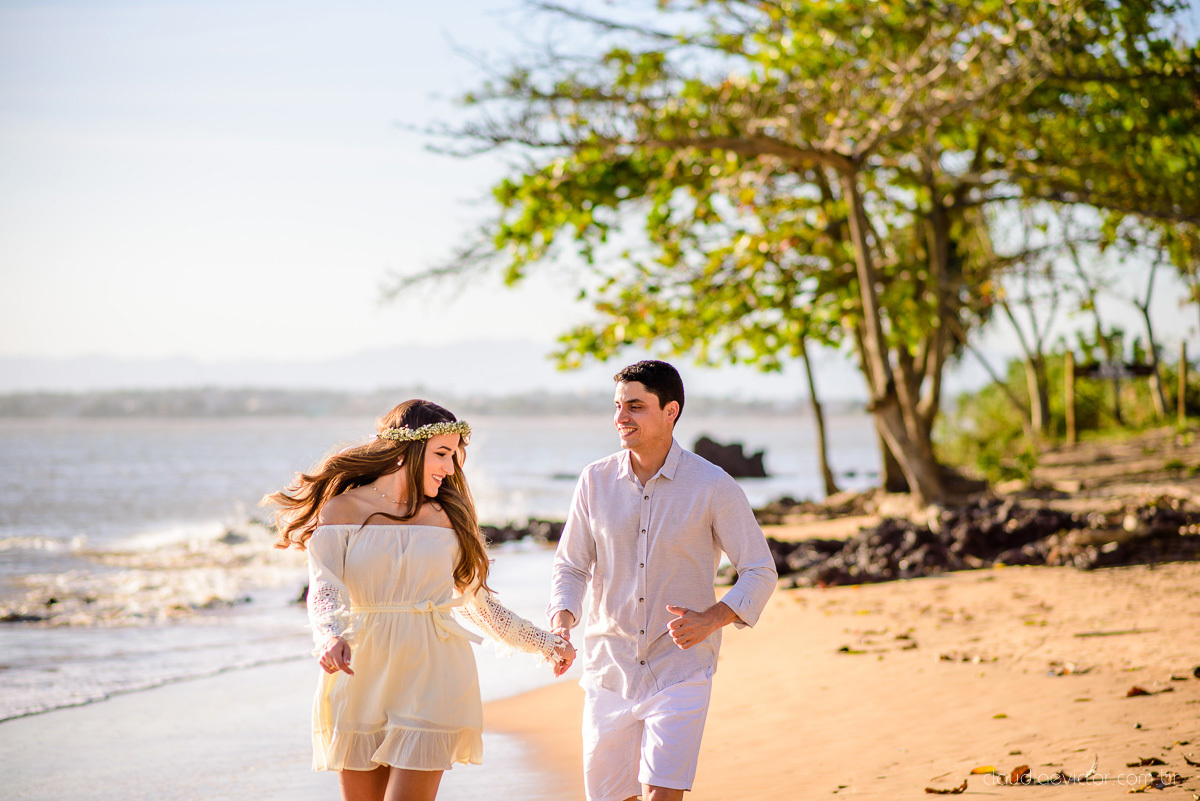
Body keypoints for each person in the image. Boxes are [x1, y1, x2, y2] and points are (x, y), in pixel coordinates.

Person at [265, 400, 576, 801]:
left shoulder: (450, 518)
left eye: (454, 457)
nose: (450, 468)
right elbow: (325, 586)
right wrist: (329, 636)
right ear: (404, 451)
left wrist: (545, 644)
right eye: (442, 455)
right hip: (359, 671)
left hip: (433, 672)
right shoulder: (341, 510)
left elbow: (477, 605)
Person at [547, 360, 777, 801]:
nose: (620, 418)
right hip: (607, 670)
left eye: (635, 406)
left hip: (680, 667)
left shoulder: (713, 485)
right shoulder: (594, 481)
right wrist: (562, 620)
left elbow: (759, 569)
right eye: (617, 406)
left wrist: (712, 618)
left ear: (670, 411)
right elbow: (571, 565)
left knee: (662, 795)